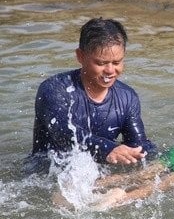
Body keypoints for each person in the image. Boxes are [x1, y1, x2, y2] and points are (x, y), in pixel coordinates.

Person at [28, 18, 156, 172]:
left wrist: (161, 155)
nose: (110, 70)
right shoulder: (54, 90)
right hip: (46, 176)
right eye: (101, 63)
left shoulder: (127, 98)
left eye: (116, 62)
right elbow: (65, 134)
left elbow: (138, 145)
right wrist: (109, 149)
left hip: (97, 175)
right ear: (80, 56)